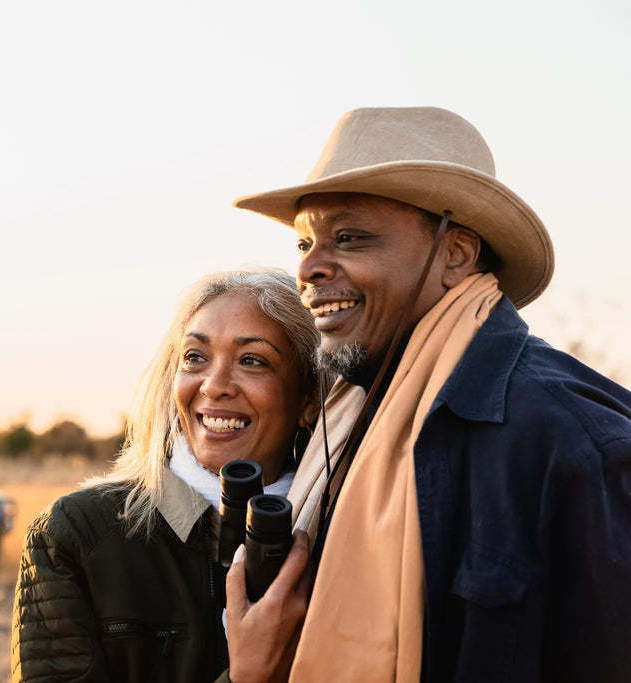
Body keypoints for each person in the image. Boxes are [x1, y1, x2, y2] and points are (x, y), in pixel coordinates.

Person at [229, 106, 631, 682]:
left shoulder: (573, 441)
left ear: (455, 254)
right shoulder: (348, 417)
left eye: (349, 237)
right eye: (303, 245)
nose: (311, 268)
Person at [11, 268, 325, 682]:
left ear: (308, 398)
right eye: (195, 357)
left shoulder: (340, 531)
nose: (214, 386)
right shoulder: (77, 534)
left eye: (253, 360)